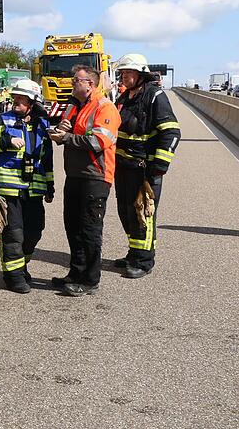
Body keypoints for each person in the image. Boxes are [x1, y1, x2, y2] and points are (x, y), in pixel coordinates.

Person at [48, 65, 121, 296]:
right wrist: (60, 132)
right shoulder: (73, 105)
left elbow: (99, 142)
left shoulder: (105, 107)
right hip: (75, 175)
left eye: (76, 79)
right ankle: (75, 273)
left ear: (90, 83)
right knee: (73, 227)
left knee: (89, 230)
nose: (72, 82)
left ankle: (90, 280)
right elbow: (66, 133)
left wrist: (67, 137)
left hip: (95, 177)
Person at [0, 79, 54, 293]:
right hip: (8, 190)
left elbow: (47, 158)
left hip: (34, 190)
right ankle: (13, 276)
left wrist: (50, 185)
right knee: (13, 234)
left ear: (33, 102)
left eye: (21, 99)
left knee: (34, 232)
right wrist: (4, 143)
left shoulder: (42, 125)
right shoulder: (1, 121)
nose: (16, 103)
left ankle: (21, 266)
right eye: (15, 98)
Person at [112, 53, 180, 279]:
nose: (124, 77)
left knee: (143, 214)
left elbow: (171, 131)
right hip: (123, 167)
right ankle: (134, 252)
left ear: (141, 74)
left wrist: (159, 165)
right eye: (122, 73)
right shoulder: (123, 98)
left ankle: (144, 260)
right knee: (126, 212)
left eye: (128, 73)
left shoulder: (155, 96)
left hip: (144, 169)